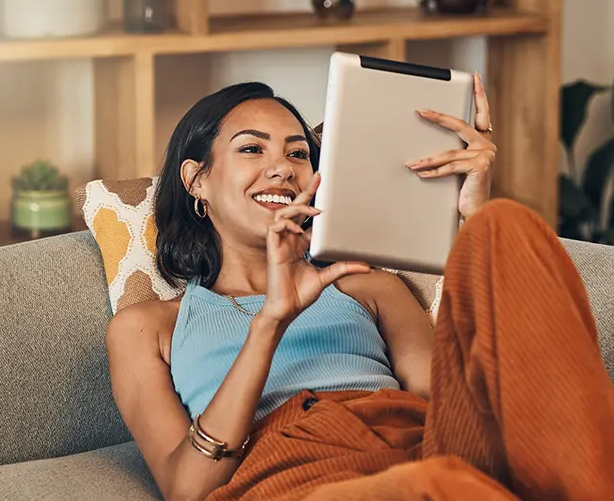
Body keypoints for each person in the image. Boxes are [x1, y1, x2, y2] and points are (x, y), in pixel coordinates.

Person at [106, 79, 614, 501]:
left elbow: (454, 400)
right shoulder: (148, 327)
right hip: (296, 476)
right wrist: (272, 320)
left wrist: (471, 216)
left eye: (298, 153)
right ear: (197, 180)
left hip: (417, 443)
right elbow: (187, 490)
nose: (282, 167)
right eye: (252, 148)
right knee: (433, 485)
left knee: (506, 224)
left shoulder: (366, 284)